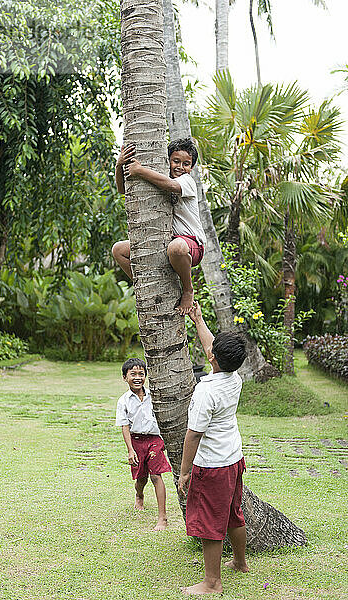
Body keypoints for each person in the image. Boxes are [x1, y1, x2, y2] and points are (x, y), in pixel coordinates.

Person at [178, 303, 249, 596]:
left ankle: (212, 583)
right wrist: (198, 319)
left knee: (209, 523)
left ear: (213, 359)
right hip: (233, 458)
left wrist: (184, 474)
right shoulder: (234, 377)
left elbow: (193, 435)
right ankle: (240, 563)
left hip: (212, 465)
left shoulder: (206, 390)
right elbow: (213, 349)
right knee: (234, 512)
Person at [112, 138, 206, 315]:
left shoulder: (187, 181)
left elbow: (171, 185)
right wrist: (119, 165)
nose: (180, 167)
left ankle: (188, 289)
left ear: (191, 168)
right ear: (167, 160)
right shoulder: (158, 178)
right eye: (175, 161)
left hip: (191, 245)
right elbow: (123, 190)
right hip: (164, 243)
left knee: (177, 247)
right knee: (119, 250)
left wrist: (139, 170)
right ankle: (143, 285)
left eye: (186, 164)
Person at [115, 357, 172, 531]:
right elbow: (125, 426)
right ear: (125, 377)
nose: (137, 377)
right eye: (133, 374)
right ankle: (139, 495)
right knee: (141, 478)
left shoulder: (154, 396)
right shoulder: (123, 401)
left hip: (155, 441)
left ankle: (162, 518)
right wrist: (130, 450)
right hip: (137, 442)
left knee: (156, 476)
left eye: (141, 373)